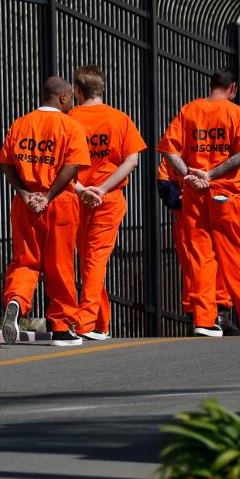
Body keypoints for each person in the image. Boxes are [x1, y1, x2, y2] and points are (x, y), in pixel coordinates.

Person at [158, 69, 240, 338]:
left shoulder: (189, 110)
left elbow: (169, 149)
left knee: (200, 257)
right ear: (233, 87)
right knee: (234, 256)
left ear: (211, 85)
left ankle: (205, 320)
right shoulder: (235, 113)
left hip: (194, 193)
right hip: (225, 193)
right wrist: (210, 175)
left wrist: (189, 175)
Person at [0, 76, 90, 346]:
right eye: (71, 98)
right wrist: (48, 196)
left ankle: (16, 299)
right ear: (62, 98)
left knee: (26, 261)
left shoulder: (21, 124)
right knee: (60, 264)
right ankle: (62, 327)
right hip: (59, 201)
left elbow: (7, 163)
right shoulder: (70, 126)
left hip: (25, 203)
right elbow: (72, 166)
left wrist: (25, 193)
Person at [68, 65, 146, 340]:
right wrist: (101, 189)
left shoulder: (69, 119)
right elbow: (132, 160)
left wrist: (82, 189)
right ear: (101, 88)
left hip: (77, 196)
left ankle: (89, 321)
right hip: (108, 197)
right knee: (95, 259)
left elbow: (60, 164)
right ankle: (97, 323)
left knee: (88, 260)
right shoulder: (120, 119)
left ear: (77, 90)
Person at [156, 156, 234, 326]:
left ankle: (202, 311)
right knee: (212, 263)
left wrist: (182, 198)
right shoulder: (206, 152)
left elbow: (163, 185)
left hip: (188, 215)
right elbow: (163, 185)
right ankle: (214, 310)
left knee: (195, 265)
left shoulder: (171, 158)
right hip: (210, 211)